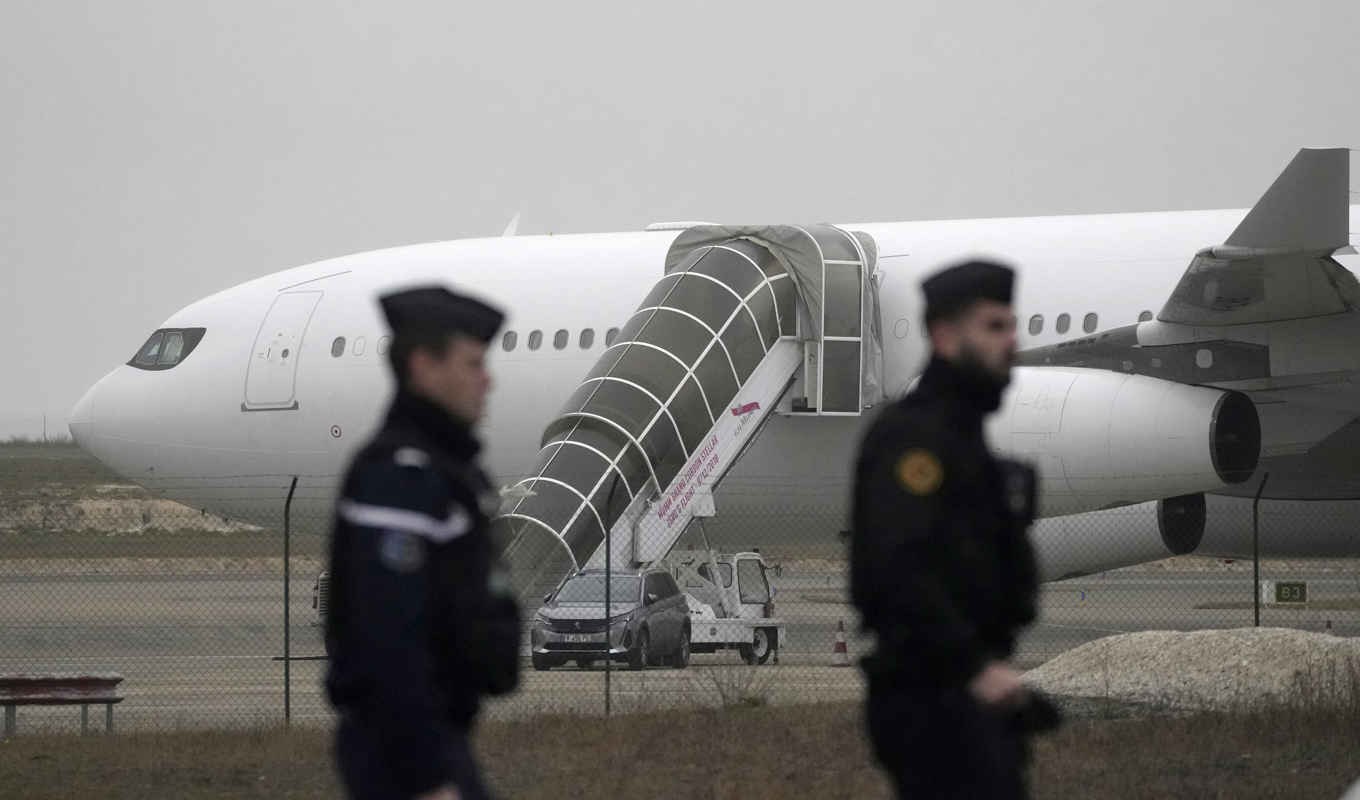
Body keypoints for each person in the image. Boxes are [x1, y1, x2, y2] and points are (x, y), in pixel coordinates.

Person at [850, 260, 1049, 799]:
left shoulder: (964, 437)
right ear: (943, 335)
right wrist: (972, 668)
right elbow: (897, 569)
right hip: (933, 696)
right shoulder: (916, 439)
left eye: (1012, 326)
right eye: (993, 327)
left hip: (968, 692)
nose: (1011, 341)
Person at [326, 286, 520, 800]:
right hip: (403, 745)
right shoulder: (401, 477)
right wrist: (426, 775)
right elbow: (388, 639)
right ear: (423, 366)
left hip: (436, 731)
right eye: (473, 363)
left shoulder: (446, 469)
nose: (488, 379)